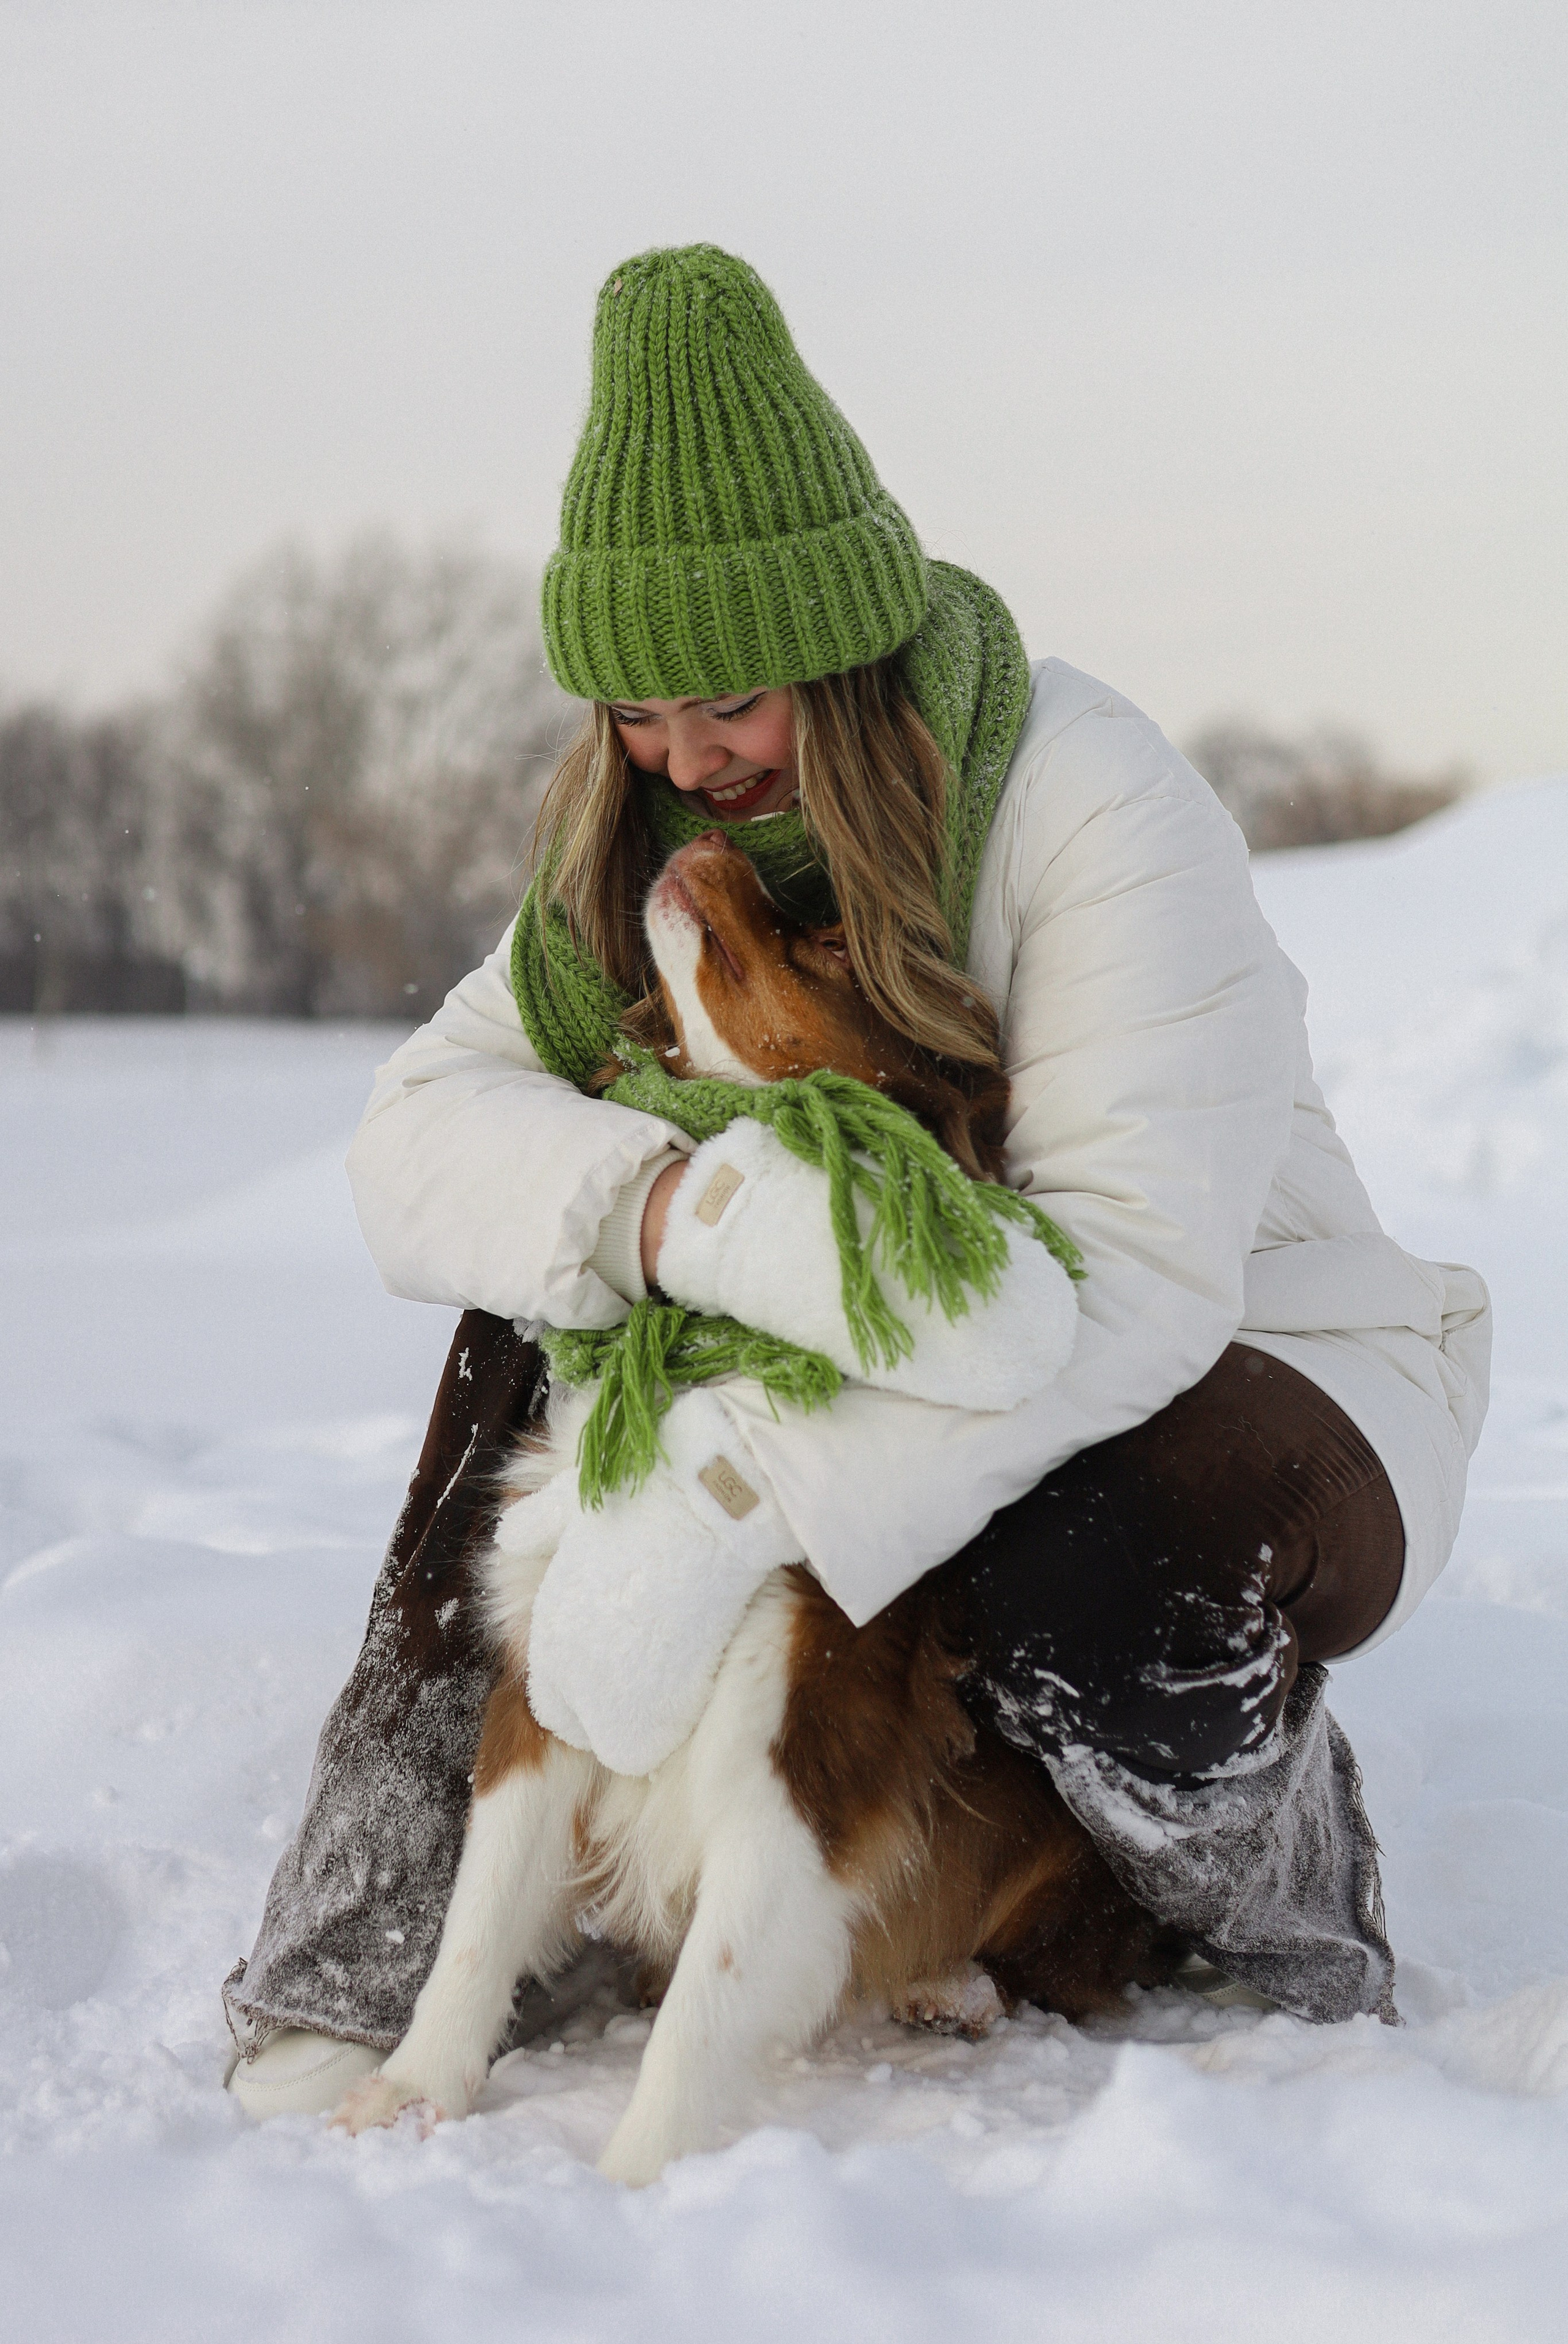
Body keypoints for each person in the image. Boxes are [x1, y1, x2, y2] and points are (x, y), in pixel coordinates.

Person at [225, 244, 1490, 2119]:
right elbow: (425, 1131)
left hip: (1244, 1360)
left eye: (725, 698)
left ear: (841, 642)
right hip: (850, 1311)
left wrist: (731, 1499)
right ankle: (386, 1932)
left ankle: (1271, 1887)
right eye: (637, 718)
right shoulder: (639, 841)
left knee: (1106, 1550)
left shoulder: (1087, 799)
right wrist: (681, 1218)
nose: (684, 758)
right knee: (535, 1314)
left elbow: (1135, 1282)